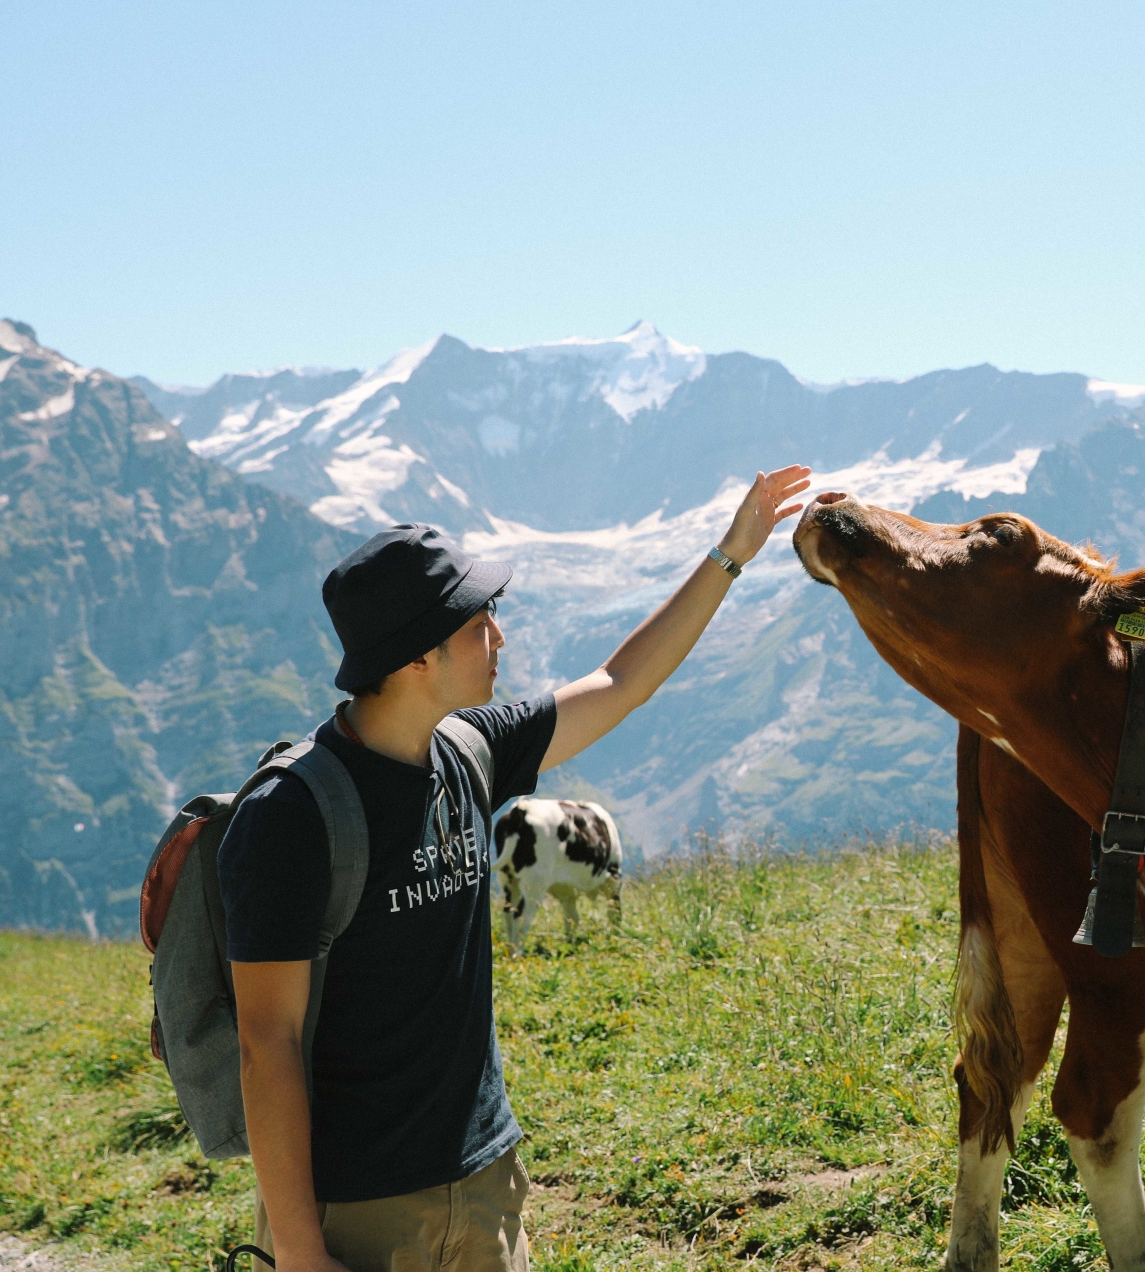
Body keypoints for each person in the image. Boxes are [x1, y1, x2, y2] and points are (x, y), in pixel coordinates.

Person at [220, 465, 811, 1272]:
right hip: (357, 1210)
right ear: (414, 658)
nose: (499, 635)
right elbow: (267, 1040)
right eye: (477, 622)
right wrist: (297, 1247)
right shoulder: (290, 816)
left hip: (488, 1181)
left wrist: (731, 554)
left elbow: (622, 682)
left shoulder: (471, 751)